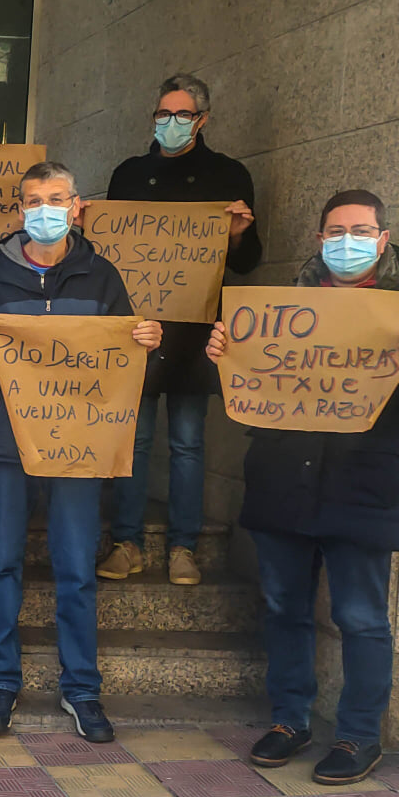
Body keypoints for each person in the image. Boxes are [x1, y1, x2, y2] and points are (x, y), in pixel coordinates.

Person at [209, 189, 399, 786]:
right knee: (283, 608)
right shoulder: (284, 304)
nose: (346, 242)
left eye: (360, 231)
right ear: (319, 238)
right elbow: (245, 397)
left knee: (360, 617)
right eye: (335, 231)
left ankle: (358, 736)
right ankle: (289, 721)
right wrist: (221, 357)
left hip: (364, 488)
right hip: (283, 484)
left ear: (382, 239)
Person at [0, 162, 163, 744]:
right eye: (32, 200)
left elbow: (128, 365)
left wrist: (150, 345)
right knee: (1, 563)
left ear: (77, 207)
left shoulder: (101, 277)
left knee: (75, 568)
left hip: (79, 443)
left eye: (55, 199)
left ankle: (83, 689)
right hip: (3, 443)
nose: (44, 209)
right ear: (19, 209)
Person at [98, 74, 261, 588]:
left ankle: (183, 547)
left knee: (189, 442)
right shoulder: (128, 174)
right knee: (136, 438)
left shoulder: (229, 174)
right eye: (162, 114)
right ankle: (127, 541)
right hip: (140, 330)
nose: (170, 123)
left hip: (195, 331)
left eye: (182, 115)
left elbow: (249, 262)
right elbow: (107, 251)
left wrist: (238, 235)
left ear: (203, 120)